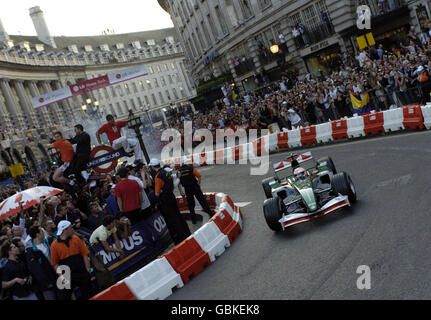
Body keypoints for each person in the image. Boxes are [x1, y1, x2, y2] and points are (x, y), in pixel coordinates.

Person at [151, 159, 191, 245]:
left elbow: (157, 193)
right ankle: (186, 233)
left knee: (172, 220)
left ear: (153, 167)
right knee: (178, 215)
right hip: (171, 196)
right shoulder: (167, 173)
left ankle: (179, 238)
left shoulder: (158, 177)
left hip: (165, 200)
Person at [50, 220, 92, 300]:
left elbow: (85, 254)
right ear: (65, 230)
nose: (73, 229)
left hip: (81, 272)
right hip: (66, 275)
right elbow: (55, 264)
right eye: (70, 228)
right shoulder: (54, 245)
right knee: (63, 297)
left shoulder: (76, 239)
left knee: (89, 294)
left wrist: (88, 270)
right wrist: (62, 278)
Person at [177, 159, 214, 225]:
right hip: (195, 187)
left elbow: (178, 183)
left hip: (187, 189)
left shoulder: (179, 171)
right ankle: (210, 214)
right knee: (202, 201)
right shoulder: (191, 168)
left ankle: (193, 220)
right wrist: (198, 184)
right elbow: (199, 176)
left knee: (191, 205)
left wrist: (181, 192)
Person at [26, 226, 57, 300]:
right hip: (47, 283)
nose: (44, 233)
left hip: (56, 275)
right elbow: (36, 270)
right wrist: (46, 282)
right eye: (42, 232)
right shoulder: (31, 252)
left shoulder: (47, 243)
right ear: (37, 234)